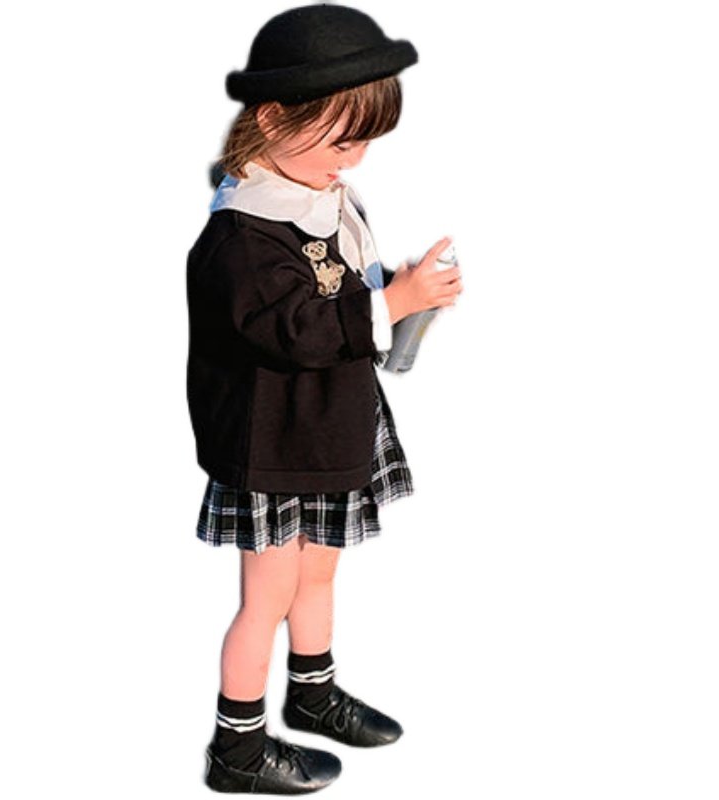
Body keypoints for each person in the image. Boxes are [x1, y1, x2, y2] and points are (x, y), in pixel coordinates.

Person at [185, 4, 463, 794]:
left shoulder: (323, 198)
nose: (357, 159)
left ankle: (312, 693)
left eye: (366, 141)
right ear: (274, 118)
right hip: (274, 442)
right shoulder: (242, 237)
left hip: (328, 423)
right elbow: (294, 331)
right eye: (344, 141)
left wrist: (398, 294)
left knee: (318, 576)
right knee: (266, 596)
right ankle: (237, 750)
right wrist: (391, 303)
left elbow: (340, 296)